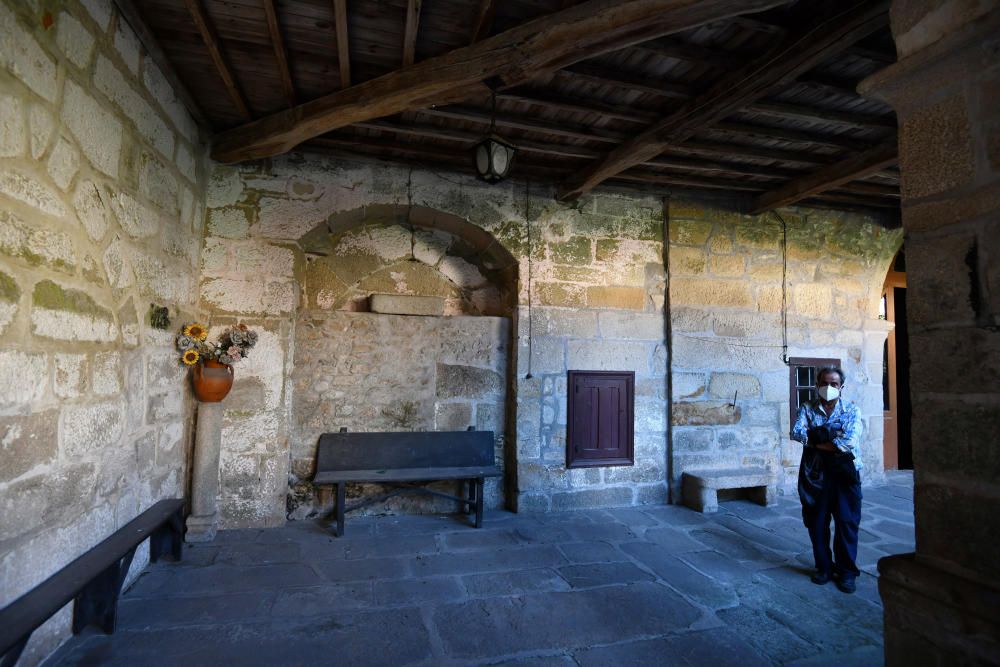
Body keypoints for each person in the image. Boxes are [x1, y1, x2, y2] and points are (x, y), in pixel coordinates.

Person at [791, 366, 863, 594]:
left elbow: (848, 442)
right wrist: (831, 435)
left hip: (845, 474)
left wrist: (816, 438)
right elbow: (796, 432)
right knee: (817, 523)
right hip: (815, 475)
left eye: (834, 384)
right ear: (817, 385)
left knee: (847, 524)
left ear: (841, 387)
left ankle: (847, 573)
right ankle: (823, 567)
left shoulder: (851, 410)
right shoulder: (807, 408)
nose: (829, 388)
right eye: (824, 383)